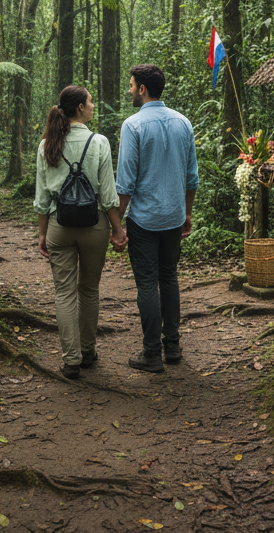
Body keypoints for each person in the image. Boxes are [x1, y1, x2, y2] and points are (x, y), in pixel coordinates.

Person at [34, 85, 124, 379]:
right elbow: (109, 196)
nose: (93, 105)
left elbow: (42, 199)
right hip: (94, 225)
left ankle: (70, 360)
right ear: (80, 108)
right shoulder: (99, 142)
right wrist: (117, 230)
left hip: (60, 225)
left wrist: (43, 234)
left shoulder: (47, 144)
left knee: (64, 293)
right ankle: (88, 352)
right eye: (90, 101)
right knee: (89, 289)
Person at [114, 64, 198, 373]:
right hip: (174, 217)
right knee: (169, 277)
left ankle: (152, 353)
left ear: (142, 90)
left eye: (132, 85)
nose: (130, 90)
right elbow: (192, 178)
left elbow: (125, 184)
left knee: (147, 283)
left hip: (145, 219)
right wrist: (187, 212)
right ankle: (172, 346)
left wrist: (117, 225)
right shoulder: (183, 123)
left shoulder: (133, 125)